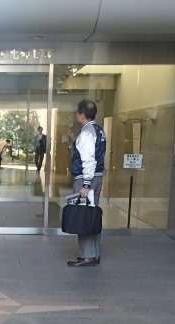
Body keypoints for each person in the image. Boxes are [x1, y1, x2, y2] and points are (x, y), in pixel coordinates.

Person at [67, 99, 106, 267]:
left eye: (77, 112)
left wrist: (85, 185)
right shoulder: (99, 130)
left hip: (86, 179)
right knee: (91, 215)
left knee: (83, 216)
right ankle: (94, 254)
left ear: (82, 115)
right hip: (96, 178)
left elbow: (88, 160)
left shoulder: (86, 133)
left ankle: (87, 256)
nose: (76, 115)